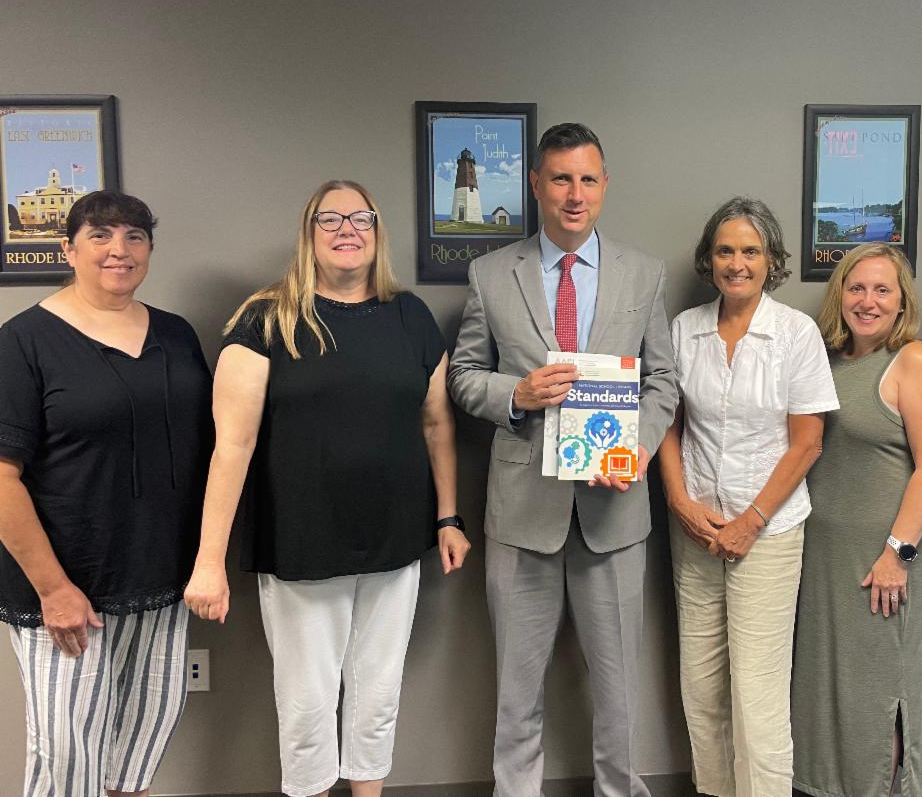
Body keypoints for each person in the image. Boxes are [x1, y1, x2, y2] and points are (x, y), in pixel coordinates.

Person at [183, 180, 469, 797]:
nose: (347, 229)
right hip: (301, 543)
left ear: (377, 230)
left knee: (380, 688)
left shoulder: (409, 316)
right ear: (309, 232)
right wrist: (209, 561)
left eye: (361, 218)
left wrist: (448, 517)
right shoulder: (265, 320)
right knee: (309, 700)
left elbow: (437, 421)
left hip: (396, 538)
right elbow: (230, 447)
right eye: (330, 218)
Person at [448, 123, 677, 797]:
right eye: (560, 179)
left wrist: (635, 449)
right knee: (517, 691)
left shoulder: (644, 271)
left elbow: (663, 381)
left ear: (604, 185)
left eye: (587, 179)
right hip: (523, 515)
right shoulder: (492, 275)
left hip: (614, 512)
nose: (574, 195)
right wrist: (512, 393)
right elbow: (463, 375)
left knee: (619, 695)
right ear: (537, 186)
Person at [0, 191, 213, 797]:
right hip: (68, 584)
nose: (119, 250)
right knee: (67, 751)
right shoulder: (23, 342)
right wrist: (52, 588)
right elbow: (1, 477)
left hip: (160, 576)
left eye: (134, 237)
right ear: (68, 248)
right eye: (100, 235)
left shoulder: (174, 334)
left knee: (140, 740)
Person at [657, 197, 838, 796]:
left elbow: (807, 441)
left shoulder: (795, 333)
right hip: (697, 531)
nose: (738, 262)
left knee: (758, 692)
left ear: (771, 260)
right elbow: (667, 424)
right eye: (726, 250)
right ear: (709, 260)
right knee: (701, 688)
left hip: (770, 534)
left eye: (751, 251)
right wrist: (681, 503)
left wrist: (752, 521)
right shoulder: (684, 330)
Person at [791, 243, 922, 797]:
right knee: (835, 690)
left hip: (887, 559)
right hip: (827, 557)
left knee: (885, 690)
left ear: (902, 299)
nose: (867, 301)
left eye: (882, 289)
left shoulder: (915, 360)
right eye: (856, 288)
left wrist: (897, 554)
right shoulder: (830, 359)